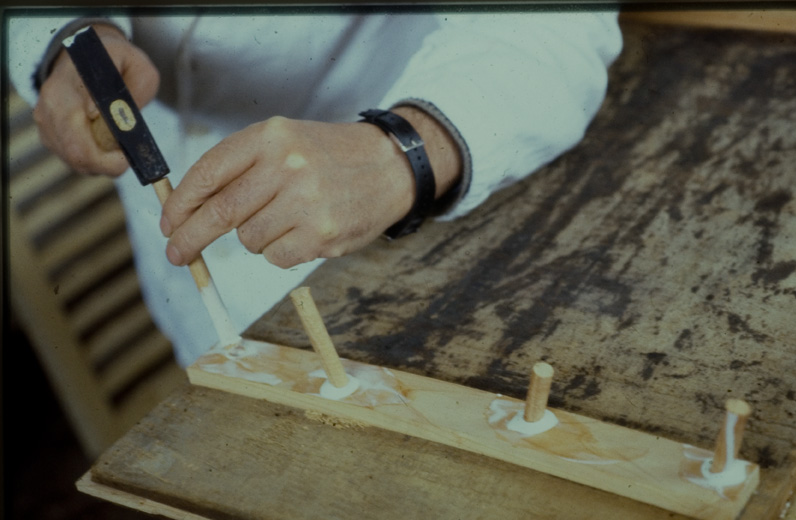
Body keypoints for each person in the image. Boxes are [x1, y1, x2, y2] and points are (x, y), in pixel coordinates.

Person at [9, 10, 622, 365]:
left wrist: (405, 151)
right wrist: (64, 38)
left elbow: (555, 22)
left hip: (386, 212)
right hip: (173, 254)